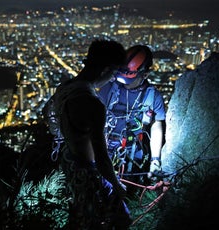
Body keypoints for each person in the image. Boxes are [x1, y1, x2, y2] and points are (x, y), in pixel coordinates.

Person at [53, 39, 131, 229]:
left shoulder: (64, 88)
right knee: (121, 219)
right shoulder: (92, 103)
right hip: (87, 174)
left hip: (68, 164)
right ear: (105, 69)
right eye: (113, 73)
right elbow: (102, 158)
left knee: (82, 219)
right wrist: (117, 185)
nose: (113, 78)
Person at [97, 45, 166, 184]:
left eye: (129, 79)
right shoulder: (110, 88)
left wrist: (155, 160)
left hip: (133, 153)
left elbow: (156, 125)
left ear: (144, 75)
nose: (123, 82)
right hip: (103, 147)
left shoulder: (152, 96)